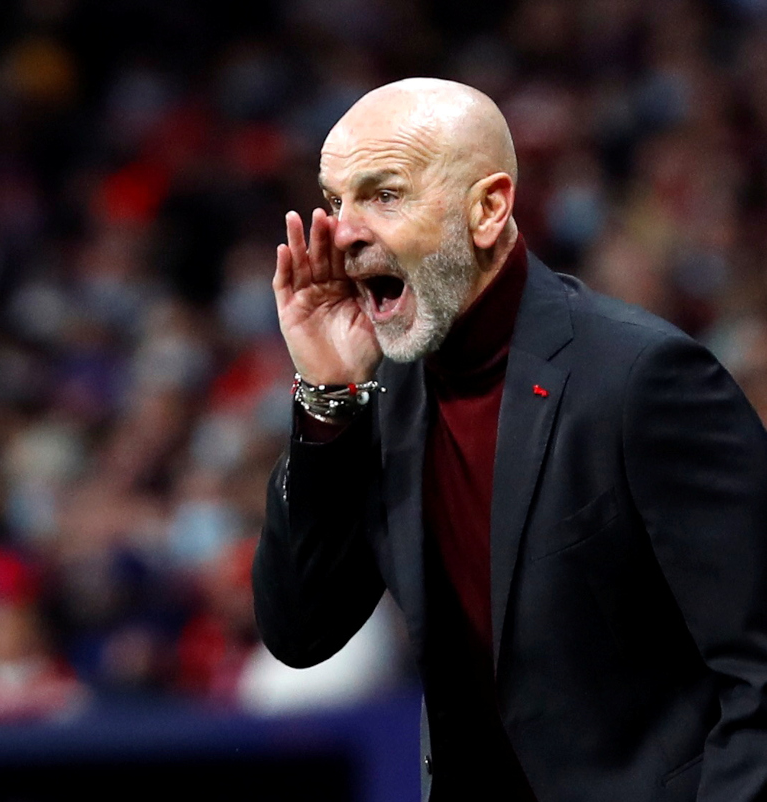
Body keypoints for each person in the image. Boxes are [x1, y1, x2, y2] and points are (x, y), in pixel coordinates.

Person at [251, 77, 767, 801]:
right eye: (336, 202)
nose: (343, 233)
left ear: (489, 209)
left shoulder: (640, 379)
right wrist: (329, 397)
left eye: (385, 195)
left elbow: (758, 674)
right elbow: (301, 632)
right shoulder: (382, 394)